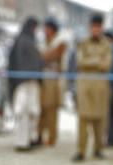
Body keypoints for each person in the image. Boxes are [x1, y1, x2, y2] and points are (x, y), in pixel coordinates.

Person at [73, 14, 113, 161]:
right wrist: (98, 60)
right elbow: (80, 62)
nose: (96, 29)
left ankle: (98, 149)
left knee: (100, 119)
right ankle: (81, 150)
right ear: (90, 27)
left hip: (101, 87)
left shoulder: (107, 44)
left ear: (101, 28)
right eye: (94, 26)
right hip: (85, 86)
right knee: (83, 119)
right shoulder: (82, 43)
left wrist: (91, 61)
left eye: (98, 27)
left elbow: (107, 64)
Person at [9, 17, 44, 151]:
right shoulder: (23, 41)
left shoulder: (28, 40)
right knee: (22, 112)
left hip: (31, 83)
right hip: (23, 84)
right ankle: (21, 143)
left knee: (33, 111)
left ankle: (29, 139)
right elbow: (17, 62)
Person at [38, 18, 67, 147]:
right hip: (43, 79)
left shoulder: (60, 43)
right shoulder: (44, 42)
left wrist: (47, 56)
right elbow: (41, 57)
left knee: (51, 111)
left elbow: (53, 57)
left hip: (54, 81)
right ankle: (39, 135)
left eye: (47, 28)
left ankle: (52, 137)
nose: (45, 31)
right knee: (41, 110)